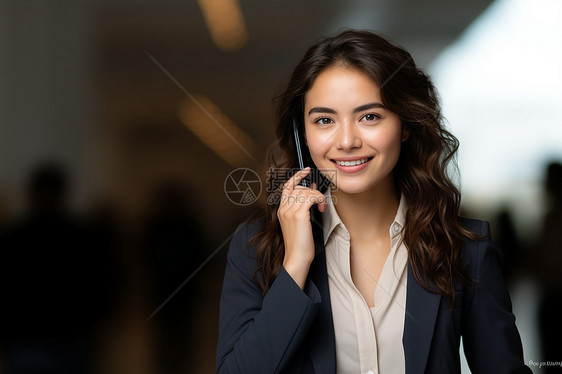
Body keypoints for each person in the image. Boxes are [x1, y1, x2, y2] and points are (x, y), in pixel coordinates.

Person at [215, 29, 530, 374]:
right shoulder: (255, 247)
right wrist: (295, 266)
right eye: (324, 120)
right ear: (301, 134)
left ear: (405, 124)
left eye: (370, 116)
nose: (347, 141)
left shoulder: (465, 249)